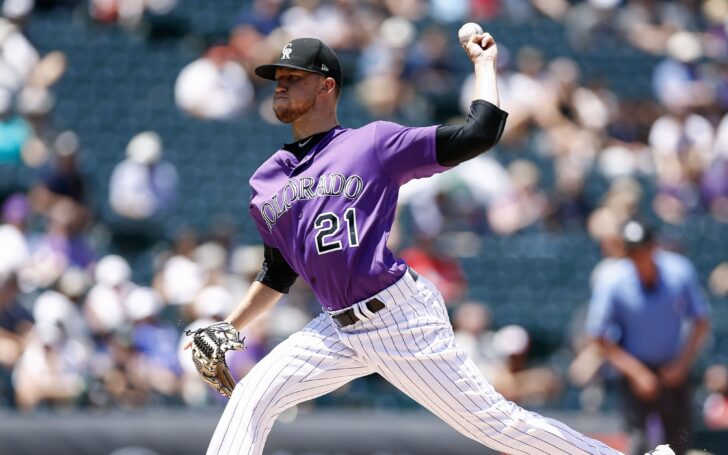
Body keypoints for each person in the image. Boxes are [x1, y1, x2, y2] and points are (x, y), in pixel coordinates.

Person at [199, 36, 674, 455]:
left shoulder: (374, 144)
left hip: (397, 318)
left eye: (293, 76)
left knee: (496, 425)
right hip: (334, 328)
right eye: (276, 77)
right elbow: (280, 270)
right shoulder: (266, 180)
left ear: (327, 86)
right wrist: (230, 325)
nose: (279, 84)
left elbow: (479, 132)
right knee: (253, 396)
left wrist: (485, 66)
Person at [586, 219, 710, 455]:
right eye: (632, 250)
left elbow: (701, 320)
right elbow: (598, 334)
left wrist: (682, 365)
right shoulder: (612, 278)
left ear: (654, 247)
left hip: (674, 369)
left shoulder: (679, 270)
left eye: (642, 248)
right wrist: (636, 373)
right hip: (635, 372)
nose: (638, 256)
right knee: (638, 444)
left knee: (679, 442)